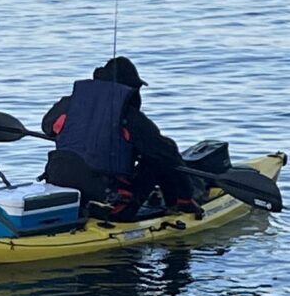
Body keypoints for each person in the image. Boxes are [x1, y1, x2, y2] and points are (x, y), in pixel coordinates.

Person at [40, 56, 203, 221]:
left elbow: (47, 127)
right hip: (110, 205)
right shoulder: (129, 117)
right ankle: (182, 202)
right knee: (159, 156)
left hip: (61, 192)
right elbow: (166, 153)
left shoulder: (69, 104)